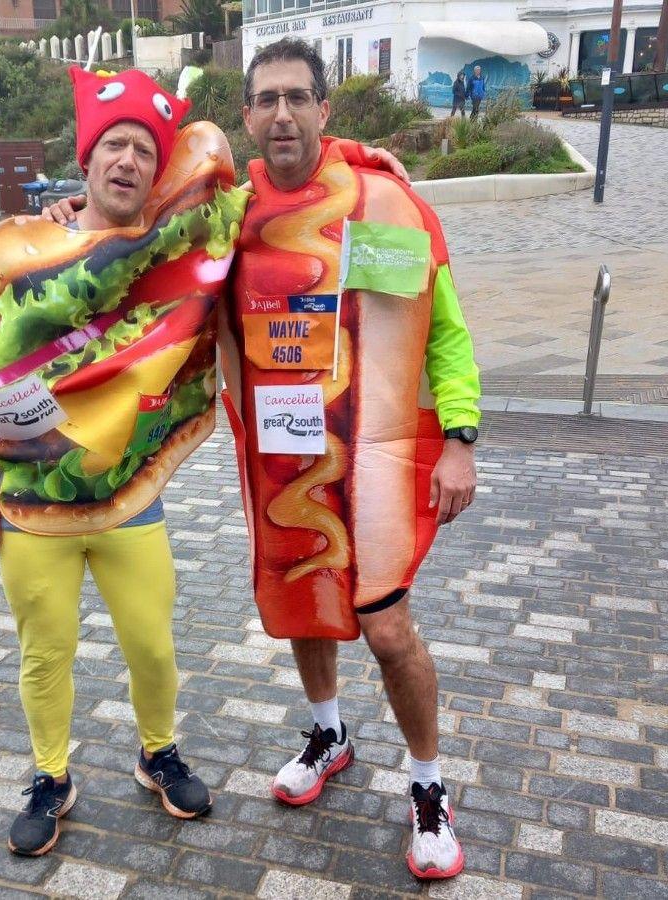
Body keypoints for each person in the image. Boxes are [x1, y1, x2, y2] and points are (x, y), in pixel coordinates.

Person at [0, 66, 238, 856]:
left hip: (129, 499)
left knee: (152, 643)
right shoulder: (21, 248)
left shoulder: (165, 251)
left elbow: (266, 196)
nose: (128, 161)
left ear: (157, 170)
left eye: (145, 152)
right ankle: (51, 778)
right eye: (113, 145)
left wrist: (361, 155)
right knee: (45, 653)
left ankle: (158, 753)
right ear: (84, 160)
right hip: (29, 505)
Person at [229, 38, 479, 881]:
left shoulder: (372, 206)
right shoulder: (230, 217)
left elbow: (439, 329)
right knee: (307, 603)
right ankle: (330, 733)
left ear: (325, 110)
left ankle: (428, 785)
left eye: (298, 97)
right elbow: (145, 249)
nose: (283, 114)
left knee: (387, 626)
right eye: (266, 99)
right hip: (282, 462)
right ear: (248, 116)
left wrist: (460, 440)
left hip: (371, 462)